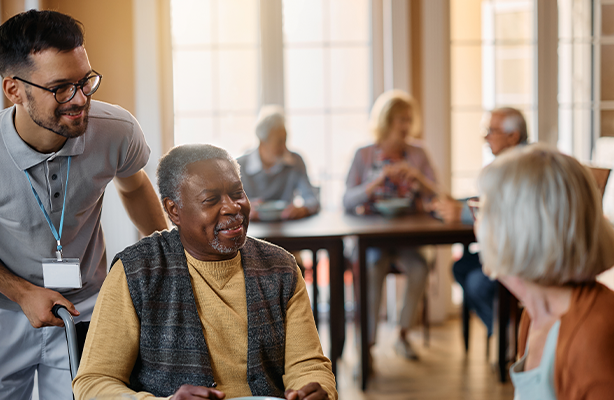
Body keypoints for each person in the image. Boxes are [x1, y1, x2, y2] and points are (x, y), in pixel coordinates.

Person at [0, 10, 168, 399]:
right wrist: (21, 292)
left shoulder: (118, 130)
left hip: (86, 307)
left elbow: (135, 186)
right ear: (14, 90)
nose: (81, 99)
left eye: (85, 81)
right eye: (60, 88)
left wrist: (163, 263)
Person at [73, 144, 337, 400]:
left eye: (237, 193)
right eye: (211, 200)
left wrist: (313, 389)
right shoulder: (136, 272)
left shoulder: (281, 267)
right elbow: (93, 383)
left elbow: (308, 365)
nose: (233, 207)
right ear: (174, 210)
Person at [474, 144, 614, 399]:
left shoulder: (599, 341)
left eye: (485, 211)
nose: (477, 223)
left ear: (520, 235)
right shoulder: (535, 316)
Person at [343, 90, 439, 360]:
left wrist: (419, 178)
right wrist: (376, 182)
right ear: (386, 122)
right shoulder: (363, 155)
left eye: (409, 119)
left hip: (409, 239)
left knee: (420, 268)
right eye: (401, 120)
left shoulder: (418, 154)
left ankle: (403, 335)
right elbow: (347, 200)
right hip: (373, 240)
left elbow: (438, 195)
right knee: (372, 268)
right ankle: (368, 345)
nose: (406, 126)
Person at [430, 106, 528, 336]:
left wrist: (462, 212)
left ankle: (510, 335)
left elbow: (509, 211)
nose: (485, 137)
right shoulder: (509, 162)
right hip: (510, 248)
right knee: (461, 267)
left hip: (522, 253)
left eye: (491, 131)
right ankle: (504, 332)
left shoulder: (522, 164)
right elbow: (491, 200)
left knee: (475, 281)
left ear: (513, 136)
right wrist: (457, 203)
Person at [237, 105, 319, 221]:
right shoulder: (239, 166)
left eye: (285, 140)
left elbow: (312, 199)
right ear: (262, 141)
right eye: (279, 142)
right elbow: (229, 205)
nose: (284, 148)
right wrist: (242, 210)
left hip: (286, 228)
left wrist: (304, 208)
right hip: (252, 232)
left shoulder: (295, 162)